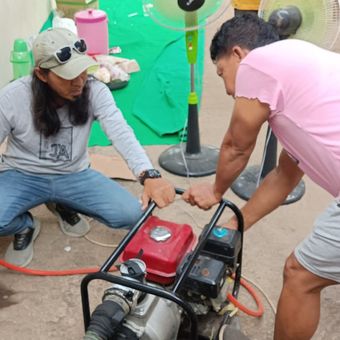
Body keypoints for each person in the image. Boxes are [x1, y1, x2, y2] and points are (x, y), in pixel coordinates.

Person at [182, 14, 340, 340]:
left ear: (238, 54)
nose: (227, 90)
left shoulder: (260, 64)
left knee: (300, 276)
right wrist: (233, 226)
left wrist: (215, 190)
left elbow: (237, 147)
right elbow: (284, 176)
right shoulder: (303, 72)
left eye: (222, 72)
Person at [0, 27, 175, 268]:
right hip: (22, 174)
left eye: (82, 71)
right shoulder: (12, 97)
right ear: (42, 74)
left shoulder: (95, 91)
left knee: (132, 215)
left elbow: (121, 133)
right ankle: (25, 225)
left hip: (74, 174)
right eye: (68, 76)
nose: (79, 81)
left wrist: (148, 174)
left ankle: (63, 203)